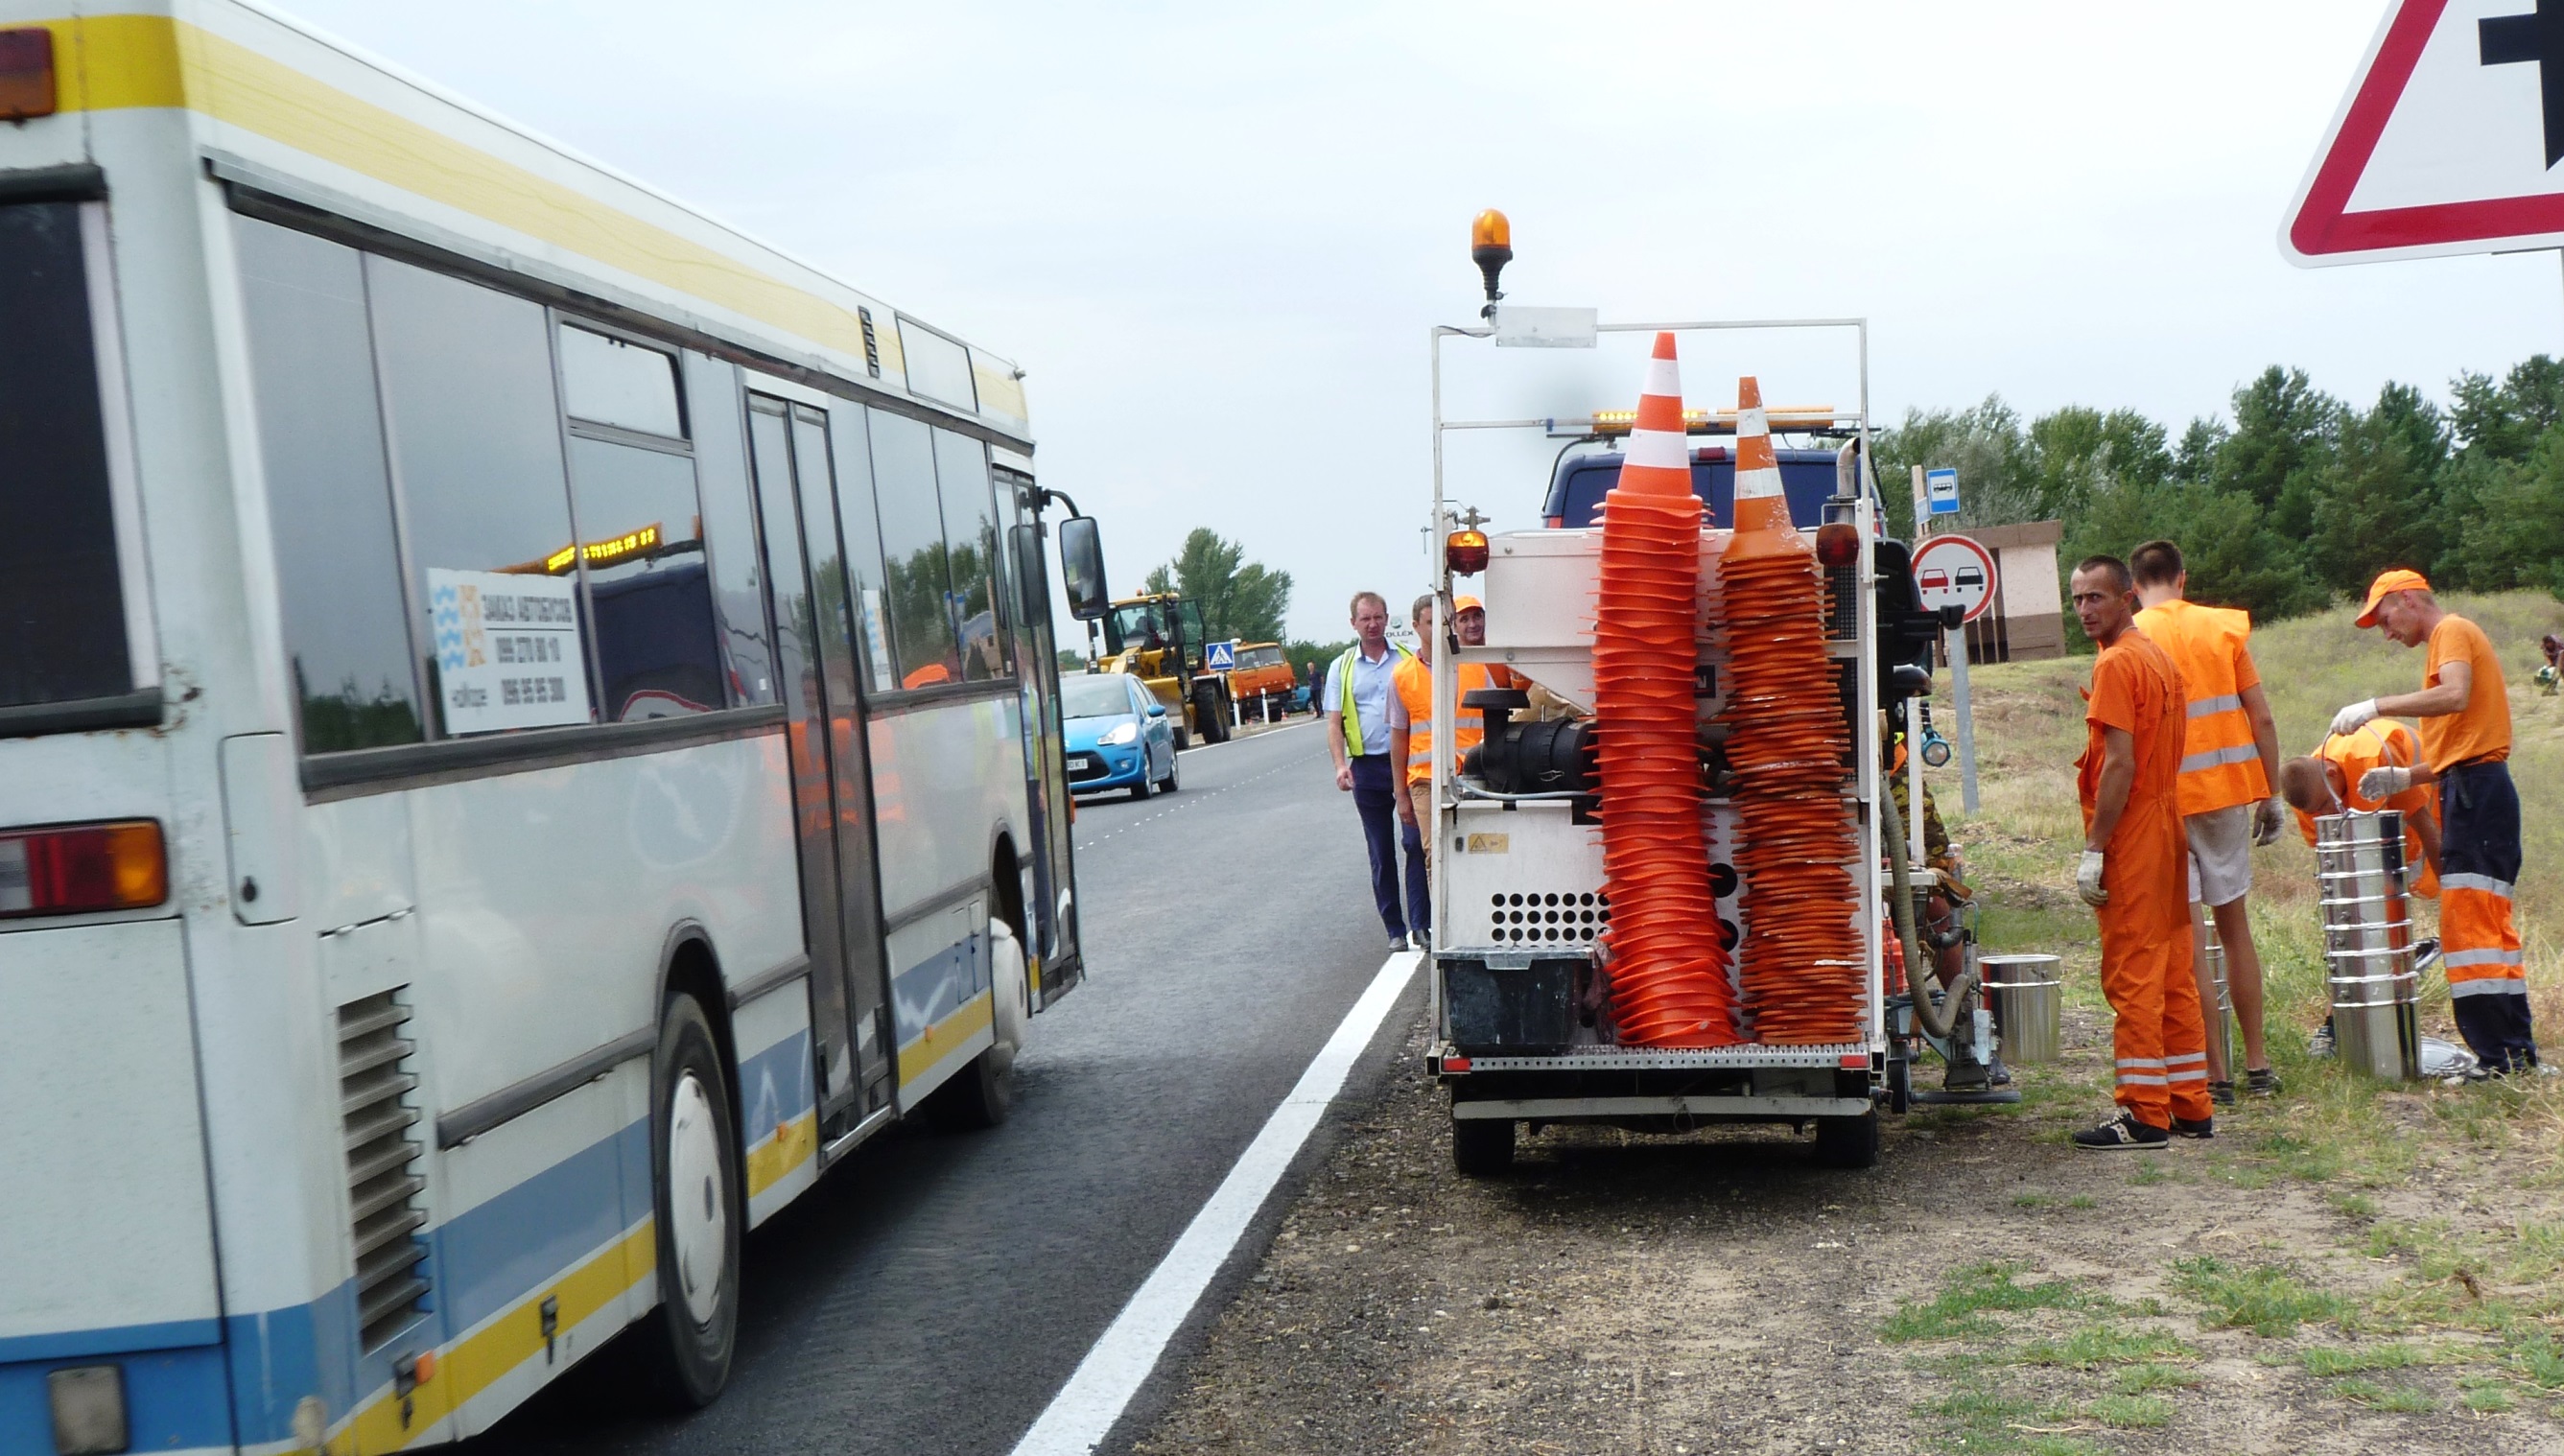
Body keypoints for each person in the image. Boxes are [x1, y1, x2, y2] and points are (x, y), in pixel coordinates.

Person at [2330, 570, 2540, 1074]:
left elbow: (2455, 695)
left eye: (2385, 620)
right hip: (2472, 787)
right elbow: (2461, 745)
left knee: (2469, 924)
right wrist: (2404, 775)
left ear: (2408, 600)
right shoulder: (2445, 640)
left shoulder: (2451, 631)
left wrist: (2374, 706)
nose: (2387, 632)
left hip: (2478, 794)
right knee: (2484, 922)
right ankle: (2512, 1050)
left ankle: (2499, 1057)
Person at [2129, 540, 2285, 1102]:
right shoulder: (2223, 629)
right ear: (2182, 578)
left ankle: (2213, 1073)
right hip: (2224, 796)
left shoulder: (2132, 637)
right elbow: (2260, 716)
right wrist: (2270, 795)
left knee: (2189, 936)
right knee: (2234, 926)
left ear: (2134, 588)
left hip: (2162, 804)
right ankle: (2259, 1063)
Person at [2068, 555, 2214, 1149]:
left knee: (2133, 973)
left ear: (2126, 597)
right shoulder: (2156, 657)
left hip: (2135, 832)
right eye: (2076, 599)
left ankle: (2144, 1114)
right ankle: (2191, 1105)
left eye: (2095, 598)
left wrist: (2094, 847)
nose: (2084, 610)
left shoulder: (2118, 664)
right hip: (2167, 824)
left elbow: (2120, 764)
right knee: (2174, 970)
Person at [1388, 594, 1524, 888]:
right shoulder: (1401, 676)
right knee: (1435, 855)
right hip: (1425, 780)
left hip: (1474, 775)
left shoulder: (1476, 667)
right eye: (1431, 622)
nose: (1440, 629)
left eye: (1446, 622)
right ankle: (1444, 927)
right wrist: (1401, 793)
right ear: (1415, 626)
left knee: (1482, 850)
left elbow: (1500, 719)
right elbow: (1398, 738)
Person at [1326, 592, 1423, 951]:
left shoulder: (1409, 658)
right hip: (1367, 767)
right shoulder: (1343, 667)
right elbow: (1334, 723)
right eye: (1365, 618)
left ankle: (1421, 924)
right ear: (1353, 622)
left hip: (1410, 764)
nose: (1373, 624)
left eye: (1378, 617)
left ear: (1387, 618)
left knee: (1415, 844)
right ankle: (1394, 929)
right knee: (1381, 851)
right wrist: (1340, 766)